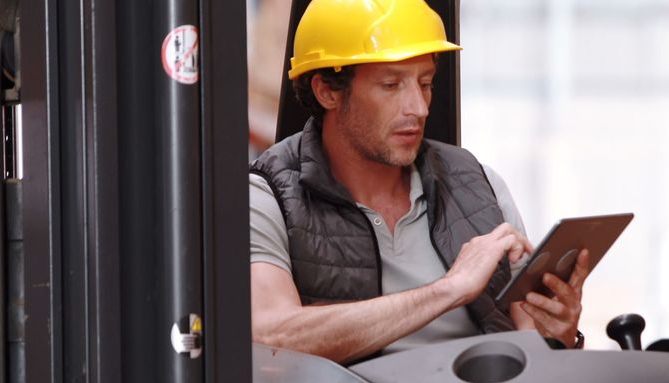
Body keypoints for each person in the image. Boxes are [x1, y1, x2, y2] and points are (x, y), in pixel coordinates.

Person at [249, 0, 588, 363]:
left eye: (425, 83)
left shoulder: (480, 185)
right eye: (391, 85)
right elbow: (272, 333)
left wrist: (557, 335)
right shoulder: (267, 196)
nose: (419, 107)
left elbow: (530, 348)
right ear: (327, 91)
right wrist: (449, 289)